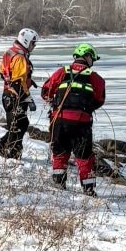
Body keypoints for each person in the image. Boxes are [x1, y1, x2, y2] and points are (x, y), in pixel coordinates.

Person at [40, 44, 105, 191]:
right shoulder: (95, 78)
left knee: (60, 153)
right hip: (82, 123)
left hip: (60, 119)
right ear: (87, 57)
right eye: (92, 59)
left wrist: (54, 103)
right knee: (85, 157)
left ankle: (59, 184)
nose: (92, 62)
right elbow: (100, 99)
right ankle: (89, 190)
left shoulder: (61, 72)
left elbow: (46, 91)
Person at [0, 28, 37, 159]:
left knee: (20, 123)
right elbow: (18, 82)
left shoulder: (9, 52)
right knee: (17, 126)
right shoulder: (19, 58)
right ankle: (12, 155)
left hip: (7, 94)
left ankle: (3, 146)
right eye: (33, 43)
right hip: (16, 96)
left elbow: (3, 72)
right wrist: (28, 98)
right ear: (26, 42)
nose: (34, 46)